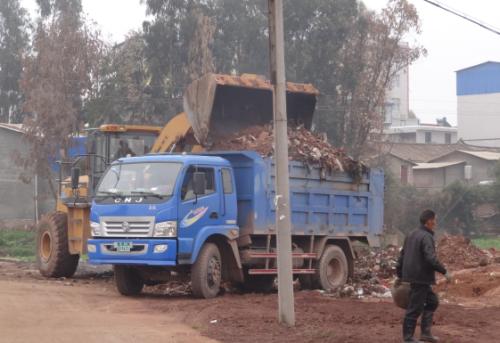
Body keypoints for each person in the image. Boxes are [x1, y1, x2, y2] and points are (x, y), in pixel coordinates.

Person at [396, 209, 452, 343]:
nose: (436, 223)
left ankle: (425, 334)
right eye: (435, 220)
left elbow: (402, 257)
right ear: (429, 221)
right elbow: (431, 259)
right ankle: (408, 338)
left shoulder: (411, 234)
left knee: (432, 301)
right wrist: (445, 271)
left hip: (415, 277)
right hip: (420, 277)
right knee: (414, 308)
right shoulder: (426, 237)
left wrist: (399, 275)